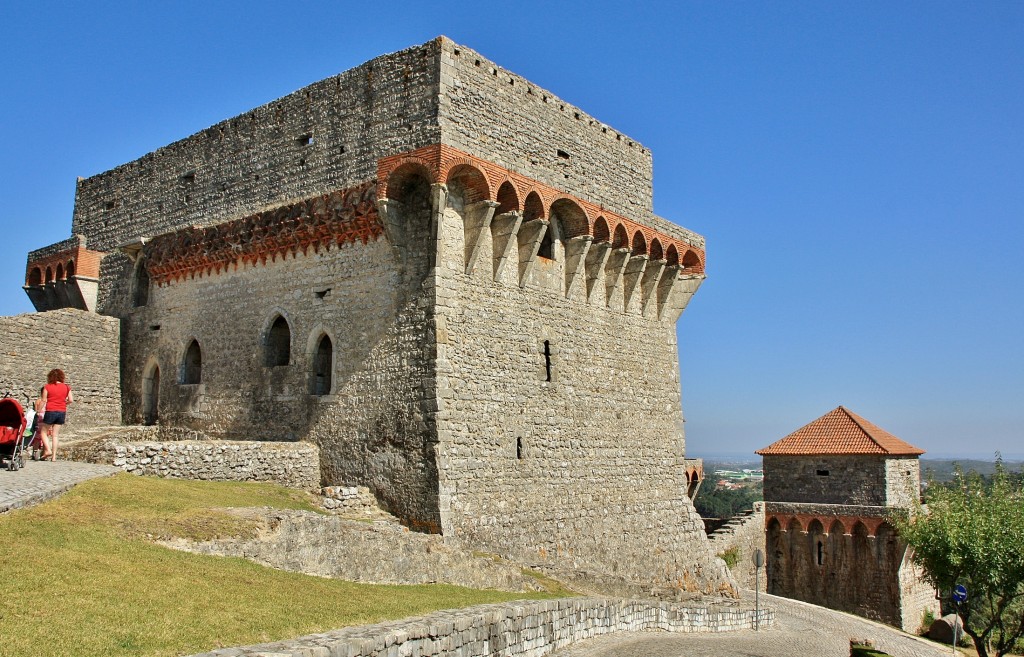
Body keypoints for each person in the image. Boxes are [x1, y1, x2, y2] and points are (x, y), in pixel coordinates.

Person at [39, 369, 73, 461]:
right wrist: (63, 404)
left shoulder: (47, 387)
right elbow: (71, 400)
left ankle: (48, 450)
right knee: (55, 435)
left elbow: (43, 400)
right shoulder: (66, 387)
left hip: (50, 410)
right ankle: (54, 457)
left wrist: (38, 410)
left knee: (43, 432)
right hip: (62, 411)